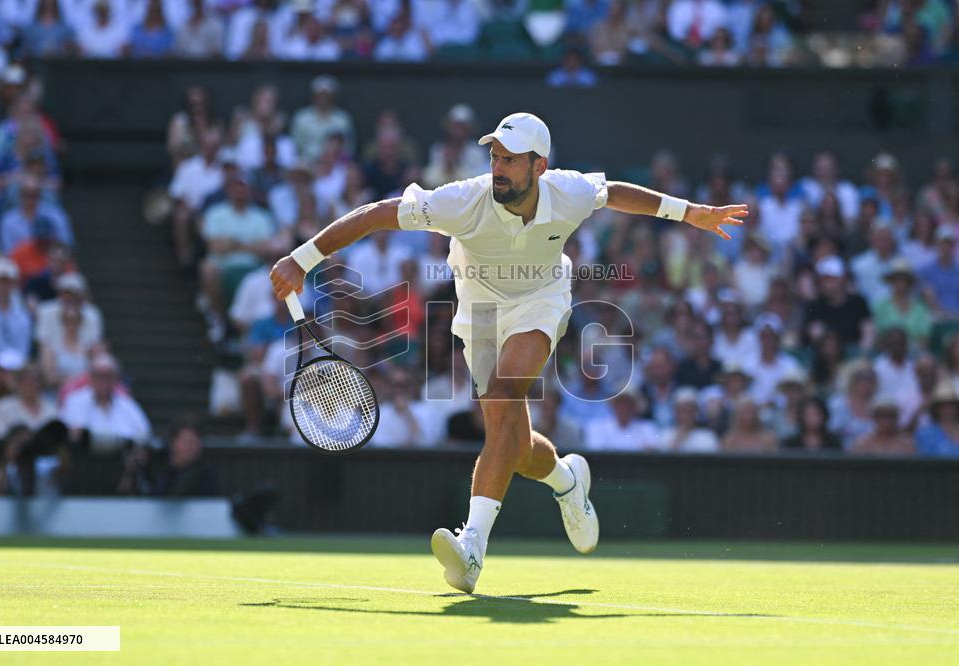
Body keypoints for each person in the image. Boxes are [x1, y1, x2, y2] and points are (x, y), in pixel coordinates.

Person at [270, 112, 746, 592]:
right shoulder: (462, 200)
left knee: (503, 395)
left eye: (511, 160)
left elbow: (615, 192)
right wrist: (302, 258)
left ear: (539, 166)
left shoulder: (569, 191)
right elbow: (377, 214)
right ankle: (566, 480)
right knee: (513, 445)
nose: (498, 167)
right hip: (479, 312)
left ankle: (472, 546)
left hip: (541, 300)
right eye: (495, 157)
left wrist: (690, 212)